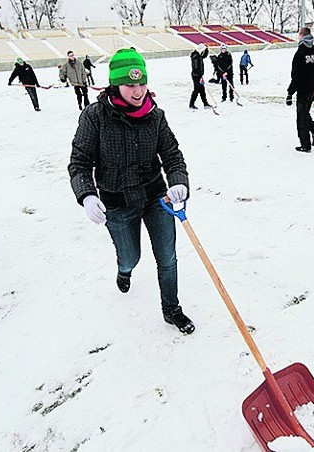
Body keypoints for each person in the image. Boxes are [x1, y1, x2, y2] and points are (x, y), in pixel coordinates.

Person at [68, 48, 195, 335]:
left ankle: (171, 309)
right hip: (117, 204)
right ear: (115, 85)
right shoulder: (95, 117)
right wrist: (87, 194)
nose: (137, 91)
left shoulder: (155, 116)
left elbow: (173, 156)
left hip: (156, 197)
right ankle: (124, 269)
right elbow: (79, 162)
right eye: (129, 85)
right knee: (131, 257)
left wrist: (178, 182)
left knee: (167, 257)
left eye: (141, 83)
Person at [285, 27, 314, 153]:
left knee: (301, 118)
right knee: (305, 114)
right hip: (313, 90)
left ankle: (306, 145)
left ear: (302, 36)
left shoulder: (300, 53)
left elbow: (296, 75)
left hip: (303, 90)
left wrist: (290, 92)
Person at [189, 43, 212, 109]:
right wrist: (199, 77)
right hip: (196, 76)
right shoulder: (196, 57)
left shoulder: (198, 55)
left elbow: (204, 56)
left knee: (202, 89)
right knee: (196, 90)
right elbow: (196, 68)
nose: (204, 51)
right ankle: (191, 104)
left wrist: (207, 49)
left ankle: (205, 103)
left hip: (199, 76)